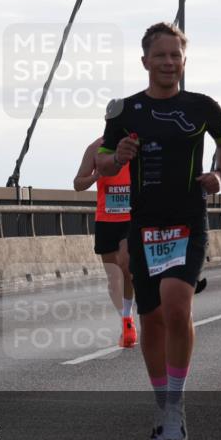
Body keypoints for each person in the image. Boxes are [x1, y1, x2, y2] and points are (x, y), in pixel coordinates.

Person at [96, 22, 221, 440]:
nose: (168, 63)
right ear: (145, 62)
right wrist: (116, 156)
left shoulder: (202, 107)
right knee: (153, 319)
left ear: (184, 61)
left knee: (178, 307)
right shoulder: (124, 112)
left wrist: (219, 172)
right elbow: (101, 163)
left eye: (175, 56)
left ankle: (175, 408)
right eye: (160, 56)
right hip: (143, 225)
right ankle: (162, 404)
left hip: (188, 221)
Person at [74, 137, 136, 348]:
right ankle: (125, 320)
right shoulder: (95, 148)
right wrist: (95, 176)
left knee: (127, 268)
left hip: (131, 218)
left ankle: (128, 317)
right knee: (113, 278)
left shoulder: (135, 146)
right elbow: (77, 184)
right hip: (106, 220)